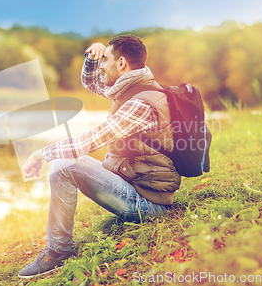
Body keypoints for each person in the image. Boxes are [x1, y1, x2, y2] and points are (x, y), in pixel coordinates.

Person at [18, 34, 180, 278]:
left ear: (122, 63)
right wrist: (94, 58)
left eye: (107, 61)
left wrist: (41, 153)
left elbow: (90, 141)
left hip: (148, 203)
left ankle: (58, 251)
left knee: (63, 165)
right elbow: (94, 84)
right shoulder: (136, 87)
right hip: (139, 184)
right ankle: (58, 247)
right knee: (64, 163)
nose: (103, 66)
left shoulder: (140, 104)